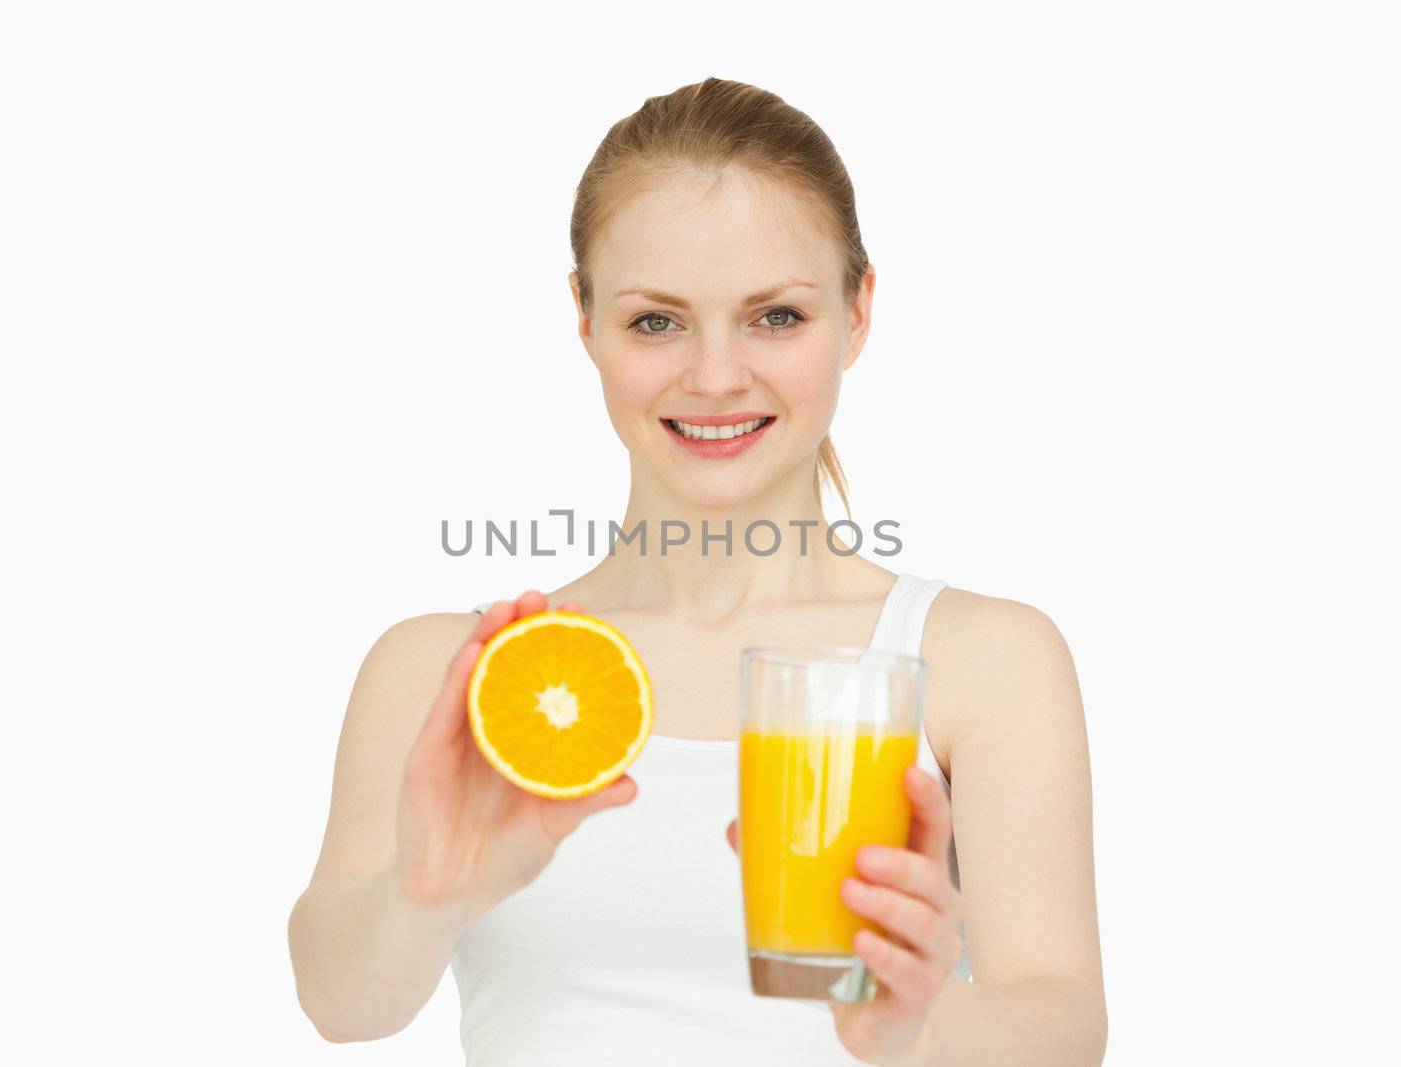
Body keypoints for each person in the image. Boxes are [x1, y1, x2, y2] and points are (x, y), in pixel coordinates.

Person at [288, 76, 1106, 1066]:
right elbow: (342, 1003)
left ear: (857, 312)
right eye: (655, 321)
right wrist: (428, 888)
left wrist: (914, 1019)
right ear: (583, 319)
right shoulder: (457, 674)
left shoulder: (980, 659)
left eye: (775, 317)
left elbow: (1062, 1024)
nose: (715, 376)